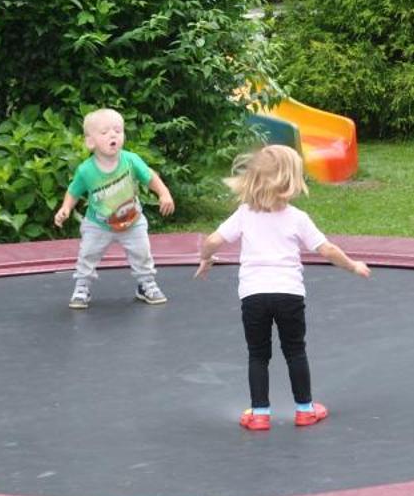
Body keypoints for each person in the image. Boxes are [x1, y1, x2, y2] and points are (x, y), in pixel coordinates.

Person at [195, 144, 370, 431]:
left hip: (254, 296)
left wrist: (205, 258)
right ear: (292, 181)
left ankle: (260, 414)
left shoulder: (244, 214)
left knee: (258, 355)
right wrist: (353, 266)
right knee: (295, 351)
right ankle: (304, 409)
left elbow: (213, 240)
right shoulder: (297, 218)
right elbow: (326, 249)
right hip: (289, 294)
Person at [52, 107, 176, 309]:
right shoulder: (86, 170)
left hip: (132, 220)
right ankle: (82, 285)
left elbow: (150, 177)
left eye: (118, 130)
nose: (113, 135)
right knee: (88, 254)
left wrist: (163, 193)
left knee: (142, 253)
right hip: (98, 224)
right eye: (105, 132)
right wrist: (65, 208)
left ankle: (146, 284)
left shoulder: (131, 160)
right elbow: (73, 191)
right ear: (91, 142)